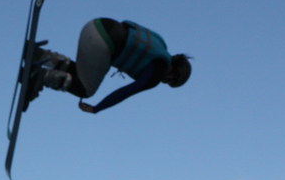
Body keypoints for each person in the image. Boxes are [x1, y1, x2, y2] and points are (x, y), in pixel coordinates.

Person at [28, 18, 191, 113]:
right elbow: (128, 91)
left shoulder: (160, 43)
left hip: (97, 25)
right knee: (85, 89)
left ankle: (41, 56)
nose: (165, 82)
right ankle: (40, 76)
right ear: (174, 73)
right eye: (170, 81)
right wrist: (97, 108)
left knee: (81, 75)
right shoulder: (158, 71)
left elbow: (129, 24)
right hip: (103, 43)